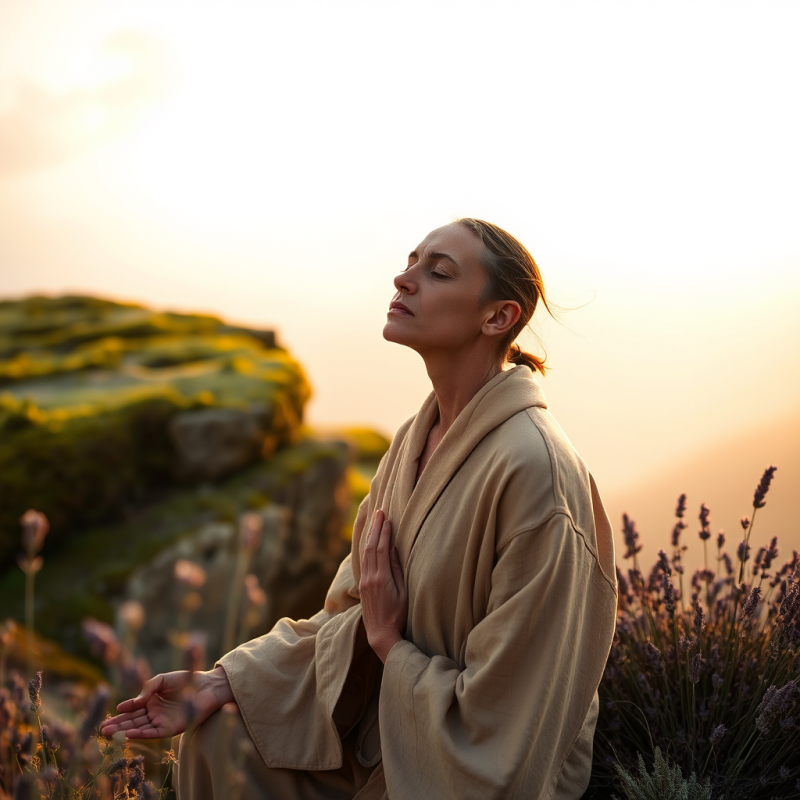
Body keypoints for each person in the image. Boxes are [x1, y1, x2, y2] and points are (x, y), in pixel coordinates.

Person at [101, 219, 618, 799]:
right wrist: (223, 683)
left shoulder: (536, 474)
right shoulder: (411, 442)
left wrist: (389, 645)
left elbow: (513, 722)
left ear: (498, 317)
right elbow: (345, 615)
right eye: (411, 262)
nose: (403, 279)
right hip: (382, 736)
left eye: (438, 271)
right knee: (221, 740)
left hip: (460, 764)